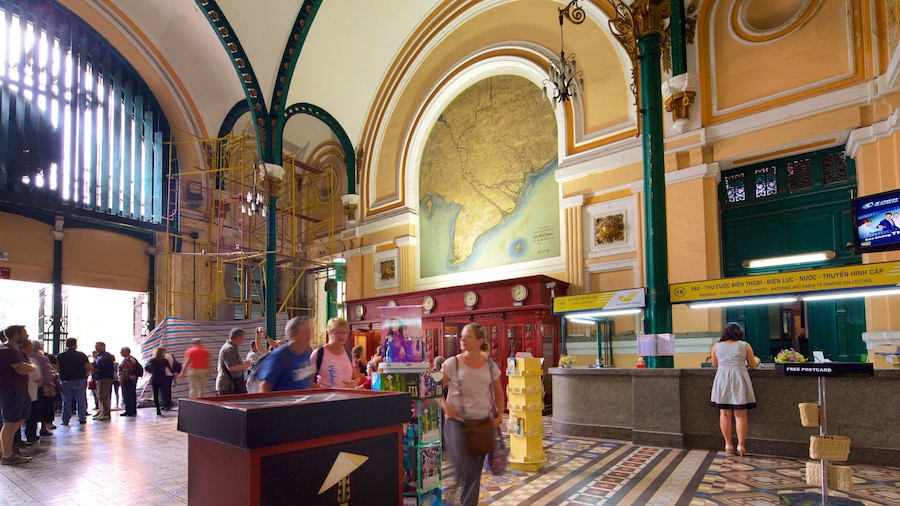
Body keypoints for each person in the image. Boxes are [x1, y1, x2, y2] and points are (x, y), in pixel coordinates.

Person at [440, 322, 505, 506]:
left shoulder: (490, 366)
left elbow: (499, 393)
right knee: (462, 469)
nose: (462, 340)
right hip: (457, 424)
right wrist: (446, 407)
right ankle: (451, 494)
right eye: (462, 336)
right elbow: (433, 389)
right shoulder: (453, 363)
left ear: (479, 340)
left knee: (473, 474)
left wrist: (499, 416)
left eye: (467, 336)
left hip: (481, 425)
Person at [710, 322, 760, 457]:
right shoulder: (744, 345)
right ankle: (741, 446)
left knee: (725, 414)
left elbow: (714, 363)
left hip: (722, 379)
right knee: (741, 414)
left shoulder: (716, 346)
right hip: (739, 378)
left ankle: (728, 444)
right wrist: (757, 360)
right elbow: (753, 365)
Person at [0, 325, 37, 465]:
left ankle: (3, 449)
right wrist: (26, 367)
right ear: (16, 335)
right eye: (24, 333)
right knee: (9, 422)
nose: (27, 335)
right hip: (10, 390)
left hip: (21, 390)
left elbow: (31, 366)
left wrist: (26, 366)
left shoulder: (19, 351)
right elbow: (23, 370)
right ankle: (7, 456)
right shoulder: (6, 351)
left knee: (19, 419)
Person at [255, 316, 315, 392]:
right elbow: (265, 386)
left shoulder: (305, 355)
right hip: (282, 402)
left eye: (310, 332)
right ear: (293, 334)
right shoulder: (279, 356)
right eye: (305, 332)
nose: (309, 336)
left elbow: (306, 382)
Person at [311, 318, 359, 389]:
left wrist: (352, 385)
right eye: (337, 332)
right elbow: (308, 380)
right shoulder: (319, 353)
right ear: (329, 333)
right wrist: (323, 392)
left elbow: (356, 378)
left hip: (347, 398)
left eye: (344, 332)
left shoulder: (348, 354)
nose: (341, 336)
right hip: (325, 398)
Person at [56, 337, 91, 426]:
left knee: (66, 400)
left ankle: (65, 420)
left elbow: (57, 368)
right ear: (75, 345)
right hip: (80, 379)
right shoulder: (82, 355)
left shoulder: (60, 356)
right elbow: (88, 367)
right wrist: (86, 375)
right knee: (81, 399)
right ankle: (82, 418)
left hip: (66, 380)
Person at [21, 340, 45, 444]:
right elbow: (38, 379)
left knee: (15, 419)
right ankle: (31, 436)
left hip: (15, 394)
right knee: (31, 416)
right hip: (31, 393)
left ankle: (15, 441)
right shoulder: (31, 362)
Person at [216, 328, 251, 395]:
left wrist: (242, 364)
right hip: (228, 385)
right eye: (243, 338)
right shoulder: (229, 349)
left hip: (231, 384)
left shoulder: (231, 348)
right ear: (238, 337)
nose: (243, 341)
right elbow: (231, 367)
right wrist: (245, 365)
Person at [91, 342, 115, 421]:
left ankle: (106, 413)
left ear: (103, 346)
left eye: (98, 346)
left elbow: (102, 367)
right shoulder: (100, 356)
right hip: (99, 377)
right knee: (100, 396)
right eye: (95, 346)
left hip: (105, 377)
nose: (96, 348)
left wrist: (94, 368)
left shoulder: (106, 356)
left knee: (103, 395)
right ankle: (101, 411)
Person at [147, 347, 174, 416]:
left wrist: (152, 372)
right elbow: (170, 368)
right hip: (163, 378)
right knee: (165, 392)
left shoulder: (152, 360)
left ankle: (157, 408)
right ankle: (166, 405)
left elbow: (146, 367)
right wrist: (174, 374)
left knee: (156, 394)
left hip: (155, 378)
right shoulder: (164, 360)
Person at [118, 347, 141, 417]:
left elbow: (125, 370)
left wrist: (122, 380)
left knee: (127, 395)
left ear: (126, 352)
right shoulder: (132, 358)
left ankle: (129, 411)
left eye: (121, 351)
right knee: (132, 395)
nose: (120, 352)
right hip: (133, 379)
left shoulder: (127, 359)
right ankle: (132, 410)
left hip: (127, 379)